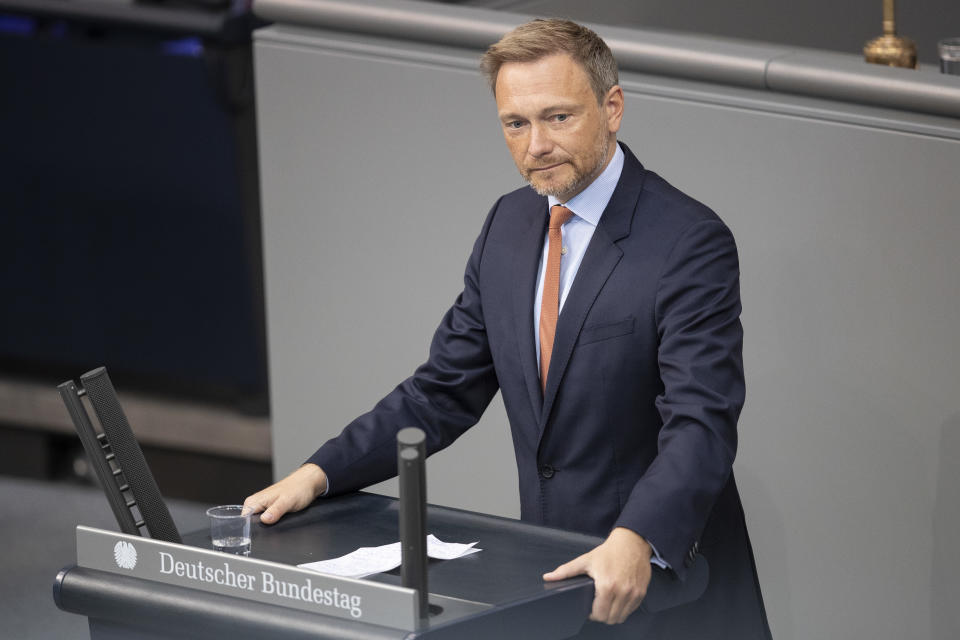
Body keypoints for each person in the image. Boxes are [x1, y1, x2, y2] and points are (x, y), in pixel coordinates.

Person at [244, 18, 771, 639]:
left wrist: (637, 536)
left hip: (667, 594)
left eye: (558, 118)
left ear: (613, 107)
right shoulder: (508, 225)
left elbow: (701, 421)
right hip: (551, 584)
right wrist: (322, 472)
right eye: (515, 124)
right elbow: (442, 390)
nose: (535, 146)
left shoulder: (688, 241)